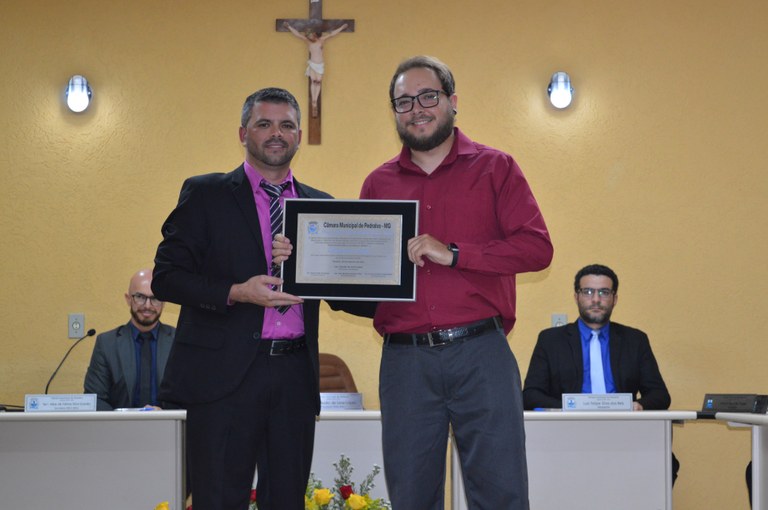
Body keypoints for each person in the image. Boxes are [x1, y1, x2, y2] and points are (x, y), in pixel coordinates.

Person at [311, 54, 551, 510]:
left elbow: (538, 249)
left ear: (452, 101)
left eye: (427, 97)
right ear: (394, 112)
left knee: (501, 493)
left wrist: (455, 254)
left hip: (481, 353)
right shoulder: (378, 183)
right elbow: (365, 282)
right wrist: (310, 264)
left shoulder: (497, 168)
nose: (416, 109)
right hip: (406, 363)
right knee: (411, 496)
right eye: (403, 101)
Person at [152, 87, 331, 510]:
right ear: (242, 133)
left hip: (294, 376)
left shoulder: (321, 206)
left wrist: (390, 266)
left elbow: (343, 288)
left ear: (298, 136)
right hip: (222, 377)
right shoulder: (206, 194)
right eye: (264, 124)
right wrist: (236, 292)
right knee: (217, 499)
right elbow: (166, 278)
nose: (276, 133)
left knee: (287, 501)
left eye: (286, 125)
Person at [522, 263, 679, 482]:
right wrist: (571, 406)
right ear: (576, 297)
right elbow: (530, 395)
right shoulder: (551, 340)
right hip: (568, 433)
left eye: (604, 292)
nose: (596, 299)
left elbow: (660, 395)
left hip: (623, 432)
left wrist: (639, 405)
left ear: (615, 299)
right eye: (588, 292)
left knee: (666, 463)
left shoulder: (635, 340)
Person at [84, 268, 175, 410]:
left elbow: (190, 393)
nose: (147, 305)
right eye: (140, 297)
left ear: (164, 302)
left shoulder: (178, 342)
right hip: (118, 424)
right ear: (128, 299)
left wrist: (165, 415)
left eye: (155, 298)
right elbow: (95, 399)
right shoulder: (107, 344)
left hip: (169, 423)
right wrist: (122, 420)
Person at [284, 21, 348, 117]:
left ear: (314, 34)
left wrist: (342, 27)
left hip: (320, 65)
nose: (310, 37)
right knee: (313, 81)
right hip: (313, 64)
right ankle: (314, 101)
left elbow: (332, 34)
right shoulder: (308, 41)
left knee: (318, 82)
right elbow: (298, 35)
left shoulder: (321, 40)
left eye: (311, 35)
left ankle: (315, 100)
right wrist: (289, 27)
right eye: (308, 36)